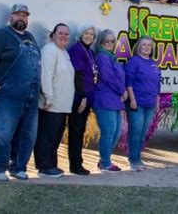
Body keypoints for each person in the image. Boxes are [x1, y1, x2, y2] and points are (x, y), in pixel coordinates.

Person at [0, 4, 41, 182]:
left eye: (24, 15)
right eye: (18, 15)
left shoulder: (30, 37)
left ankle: (18, 167)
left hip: (30, 96)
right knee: (2, 134)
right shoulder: (2, 35)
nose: (21, 18)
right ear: (11, 17)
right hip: (6, 95)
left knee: (28, 135)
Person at [34, 23, 75, 178]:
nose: (64, 36)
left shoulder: (63, 52)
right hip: (51, 104)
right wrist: (48, 97)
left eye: (66, 34)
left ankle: (52, 164)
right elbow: (46, 75)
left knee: (55, 136)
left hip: (62, 105)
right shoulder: (49, 50)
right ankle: (44, 167)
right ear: (53, 34)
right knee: (46, 136)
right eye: (61, 33)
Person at [125, 36, 161, 171]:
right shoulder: (134, 61)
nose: (147, 47)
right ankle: (133, 160)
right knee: (136, 131)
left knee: (143, 132)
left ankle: (138, 158)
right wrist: (132, 99)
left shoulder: (154, 64)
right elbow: (128, 82)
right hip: (136, 103)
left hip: (150, 104)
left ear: (152, 49)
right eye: (144, 45)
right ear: (139, 47)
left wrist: (157, 102)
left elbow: (157, 84)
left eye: (149, 45)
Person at [93, 29, 127, 172]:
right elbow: (108, 77)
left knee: (116, 132)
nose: (110, 43)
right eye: (107, 41)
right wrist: (122, 90)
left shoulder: (111, 57)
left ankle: (104, 160)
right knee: (109, 132)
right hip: (104, 100)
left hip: (114, 101)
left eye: (113, 41)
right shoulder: (102, 57)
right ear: (101, 42)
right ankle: (106, 163)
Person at [68, 25, 99, 175]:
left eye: (91, 34)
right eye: (86, 33)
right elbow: (77, 75)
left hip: (87, 99)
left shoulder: (90, 52)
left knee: (80, 131)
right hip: (79, 99)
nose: (89, 36)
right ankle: (75, 165)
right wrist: (83, 96)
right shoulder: (76, 50)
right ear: (80, 35)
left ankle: (78, 163)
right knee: (76, 132)